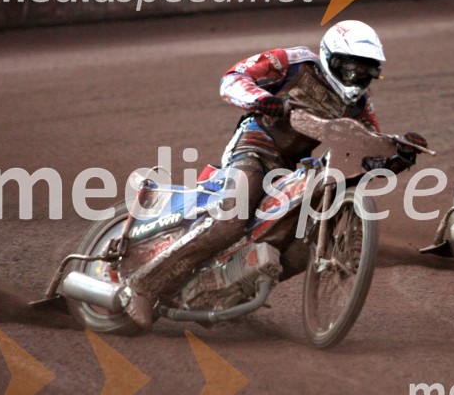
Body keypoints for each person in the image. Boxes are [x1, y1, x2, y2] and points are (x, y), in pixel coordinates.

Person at [123, 20, 426, 329]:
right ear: (330, 58)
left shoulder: (360, 106)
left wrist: (399, 157)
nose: (357, 77)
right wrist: (262, 99)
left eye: (366, 71)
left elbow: (363, 160)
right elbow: (232, 78)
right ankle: (142, 286)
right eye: (351, 69)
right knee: (231, 220)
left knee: (298, 250)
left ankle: (229, 290)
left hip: (295, 170)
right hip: (254, 147)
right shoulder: (292, 62)